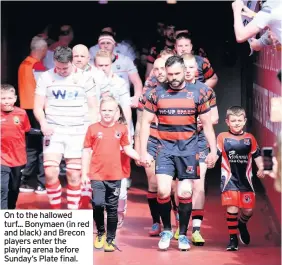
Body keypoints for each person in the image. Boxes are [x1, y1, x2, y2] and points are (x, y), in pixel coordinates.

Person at [140, 55, 217, 251]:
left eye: (177, 73)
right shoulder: (156, 93)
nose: (173, 77)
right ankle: (167, 229)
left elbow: (208, 125)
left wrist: (213, 151)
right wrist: (143, 152)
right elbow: (145, 124)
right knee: (163, 190)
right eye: (170, 73)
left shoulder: (198, 93)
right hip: (164, 150)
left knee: (185, 191)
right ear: (165, 73)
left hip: (189, 151)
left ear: (184, 72)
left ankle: (183, 234)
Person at [34, 46, 98, 210]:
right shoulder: (46, 77)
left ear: (72, 62)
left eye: (65, 68)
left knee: (74, 175)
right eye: (58, 67)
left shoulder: (85, 78)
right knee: (50, 172)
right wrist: (43, 123)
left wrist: (90, 129)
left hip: (78, 130)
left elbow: (93, 107)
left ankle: (72, 213)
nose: (61, 71)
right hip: (54, 129)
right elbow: (37, 107)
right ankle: (56, 211)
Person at [81, 96, 139, 252]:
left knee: (112, 208)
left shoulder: (122, 129)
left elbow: (127, 149)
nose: (107, 113)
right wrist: (84, 173)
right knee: (98, 204)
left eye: (110, 110)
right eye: (104, 110)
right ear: (99, 111)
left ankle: (110, 238)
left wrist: (141, 157)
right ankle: (100, 232)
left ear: (117, 112)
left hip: (114, 176)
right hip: (97, 174)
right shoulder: (92, 128)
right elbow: (86, 151)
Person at [173, 53, 219, 244]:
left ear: (197, 70)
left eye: (193, 67)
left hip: (199, 143)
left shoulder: (205, 91)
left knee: (198, 184)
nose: (189, 71)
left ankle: (197, 230)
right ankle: (179, 225)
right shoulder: (171, 90)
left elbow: (214, 117)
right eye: (186, 67)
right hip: (177, 144)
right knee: (179, 186)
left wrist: (201, 121)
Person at [216, 106, 264, 251]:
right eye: (233, 120)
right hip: (229, 180)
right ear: (227, 122)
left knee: (248, 210)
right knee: (232, 208)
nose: (236, 123)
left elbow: (257, 155)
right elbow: (215, 153)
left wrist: (262, 168)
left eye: (239, 120)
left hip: (246, 181)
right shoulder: (222, 137)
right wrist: (210, 160)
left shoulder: (250, 138)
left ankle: (242, 224)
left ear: (244, 121)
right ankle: (233, 239)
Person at [135, 58, 167, 236]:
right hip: (152, 142)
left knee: (173, 188)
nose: (160, 72)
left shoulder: (182, 90)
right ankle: (157, 222)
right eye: (156, 69)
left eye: (163, 68)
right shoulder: (147, 94)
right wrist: (140, 150)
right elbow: (140, 125)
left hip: (173, 143)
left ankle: (176, 222)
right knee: (154, 183)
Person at [18, 36, 47, 194]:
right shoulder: (38, 65)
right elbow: (44, 89)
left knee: (31, 148)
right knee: (42, 148)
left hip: (25, 110)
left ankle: (26, 181)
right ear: (42, 50)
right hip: (38, 110)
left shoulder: (24, 64)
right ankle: (41, 183)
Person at [1, 84, 31, 209]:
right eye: (3, 98)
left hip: (18, 158)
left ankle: (11, 210)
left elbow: (27, 130)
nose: (6, 101)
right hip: (2, 158)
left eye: (9, 98)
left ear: (15, 98)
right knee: (2, 188)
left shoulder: (22, 113)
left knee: (14, 188)